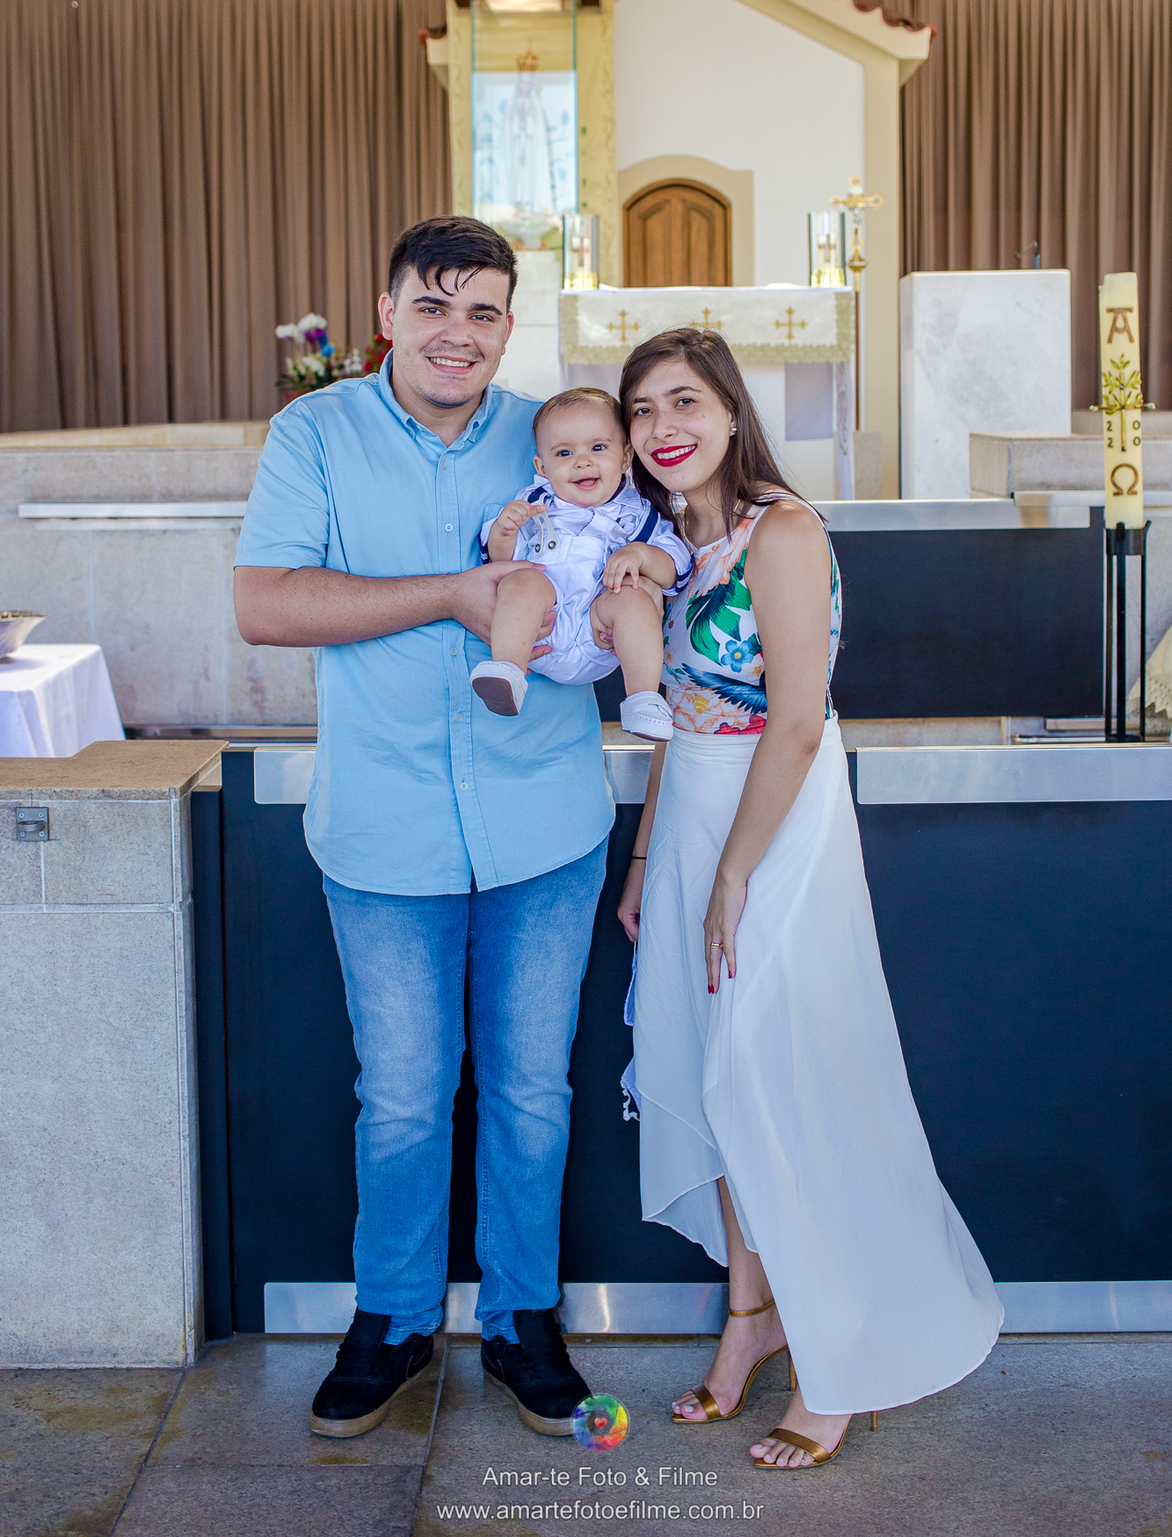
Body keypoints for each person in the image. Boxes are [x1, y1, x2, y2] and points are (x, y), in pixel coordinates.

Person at [233, 216, 612, 1441]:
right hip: (386, 824)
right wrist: (453, 594)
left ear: (512, 324)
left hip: (542, 818)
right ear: (387, 313)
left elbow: (657, 525)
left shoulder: (551, 434)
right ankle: (393, 1321)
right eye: (437, 306)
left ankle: (523, 1321)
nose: (462, 334)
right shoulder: (317, 432)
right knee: (400, 1096)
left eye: (487, 311)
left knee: (531, 1093)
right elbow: (268, 604)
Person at [616, 328, 1002, 1472]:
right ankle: (754, 1317)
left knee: (786, 1082)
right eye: (640, 411)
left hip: (777, 830)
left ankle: (841, 1359)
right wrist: (650, 862)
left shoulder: (783, 531)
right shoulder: (672, 541)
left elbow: (793, 719)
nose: (658, 428)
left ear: (733, 413)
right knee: (714, 1083)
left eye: (682, 402)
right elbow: (676, 726)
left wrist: (735, 872)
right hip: (692, 820)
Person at [472, 386, 690, 740]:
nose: (582, 461)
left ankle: (642, 699)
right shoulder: (534, 505)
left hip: (600, 635)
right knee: (521, 580)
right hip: (541, 634)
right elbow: (499, 562)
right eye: (564, 452)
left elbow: (675, 569)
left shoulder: (637, 515)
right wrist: (504, 530)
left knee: (632, 598)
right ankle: (508, 669)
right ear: (542, 467)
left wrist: (640, 554)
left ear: (624, 457)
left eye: (598, 448)